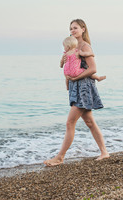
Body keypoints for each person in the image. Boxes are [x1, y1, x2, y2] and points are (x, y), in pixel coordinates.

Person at [44, 19, 110, 166]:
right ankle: (104, 152)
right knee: (89, 122)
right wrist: (64, 64)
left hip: (84, 87)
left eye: (75, 28)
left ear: (83, 29)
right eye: (71, 28)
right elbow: (67, 66)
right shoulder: (70, 47)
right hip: (76, 87)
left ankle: (60, 157)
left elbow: (93, 69)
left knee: (70, 122)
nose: (72, 31)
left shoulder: (85, 47)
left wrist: (75, 77)